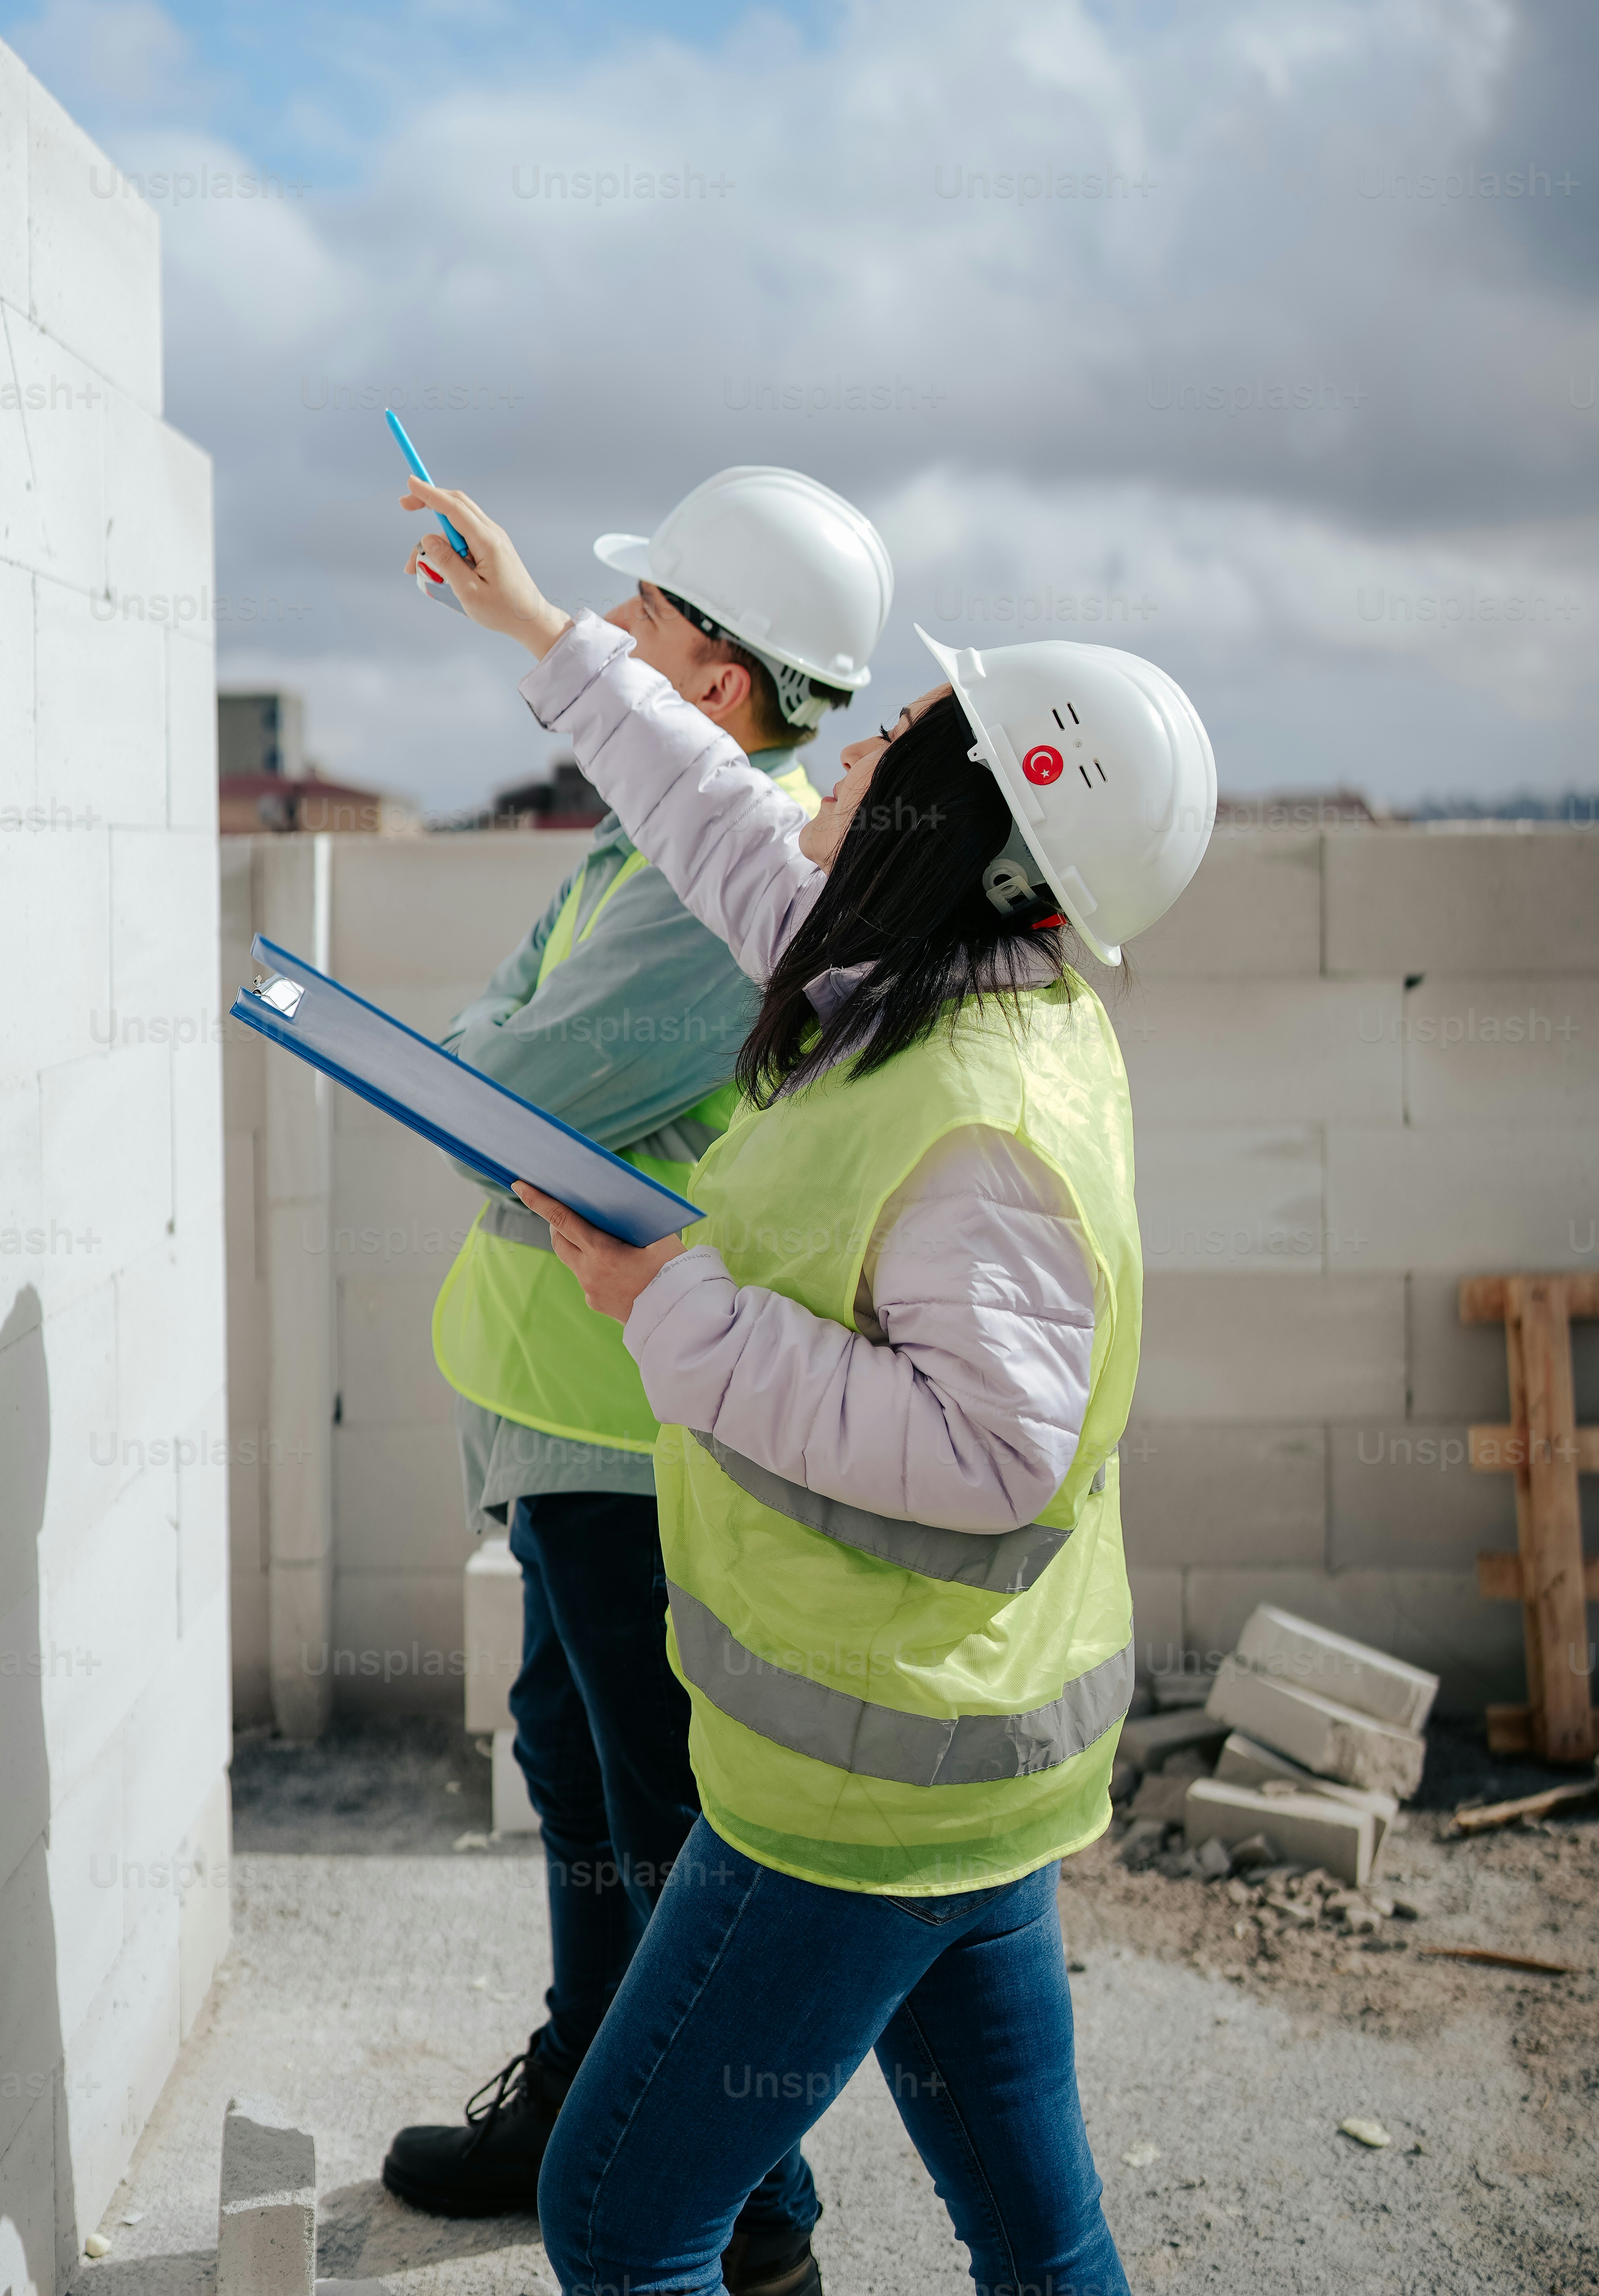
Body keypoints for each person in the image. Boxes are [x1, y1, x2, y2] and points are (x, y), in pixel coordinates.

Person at [399, 472, 1216, 2296]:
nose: (842, 760)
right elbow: (711, 816)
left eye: (892, 747)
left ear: (964, 827)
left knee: (619, 2219)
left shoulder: (973, 1104)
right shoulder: (907, 984)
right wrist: (545, 633)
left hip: (873, 1772)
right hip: (946, 1750)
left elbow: (990, 1451)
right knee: (1039, 2238)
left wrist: (674, 1310)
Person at [384, 471, 894, 2293]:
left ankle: (753, 2220)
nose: (610, 639)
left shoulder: (705, 887)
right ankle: (580, 2105)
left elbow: (499, 1094)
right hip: (563, 1409)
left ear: (722, 681)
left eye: (648, 619)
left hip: (628, 1426)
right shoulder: (643, 843)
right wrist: (498, 1058)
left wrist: (496, 1063)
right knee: (578, 1769)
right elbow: (500, 1054)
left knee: (660, 1808)